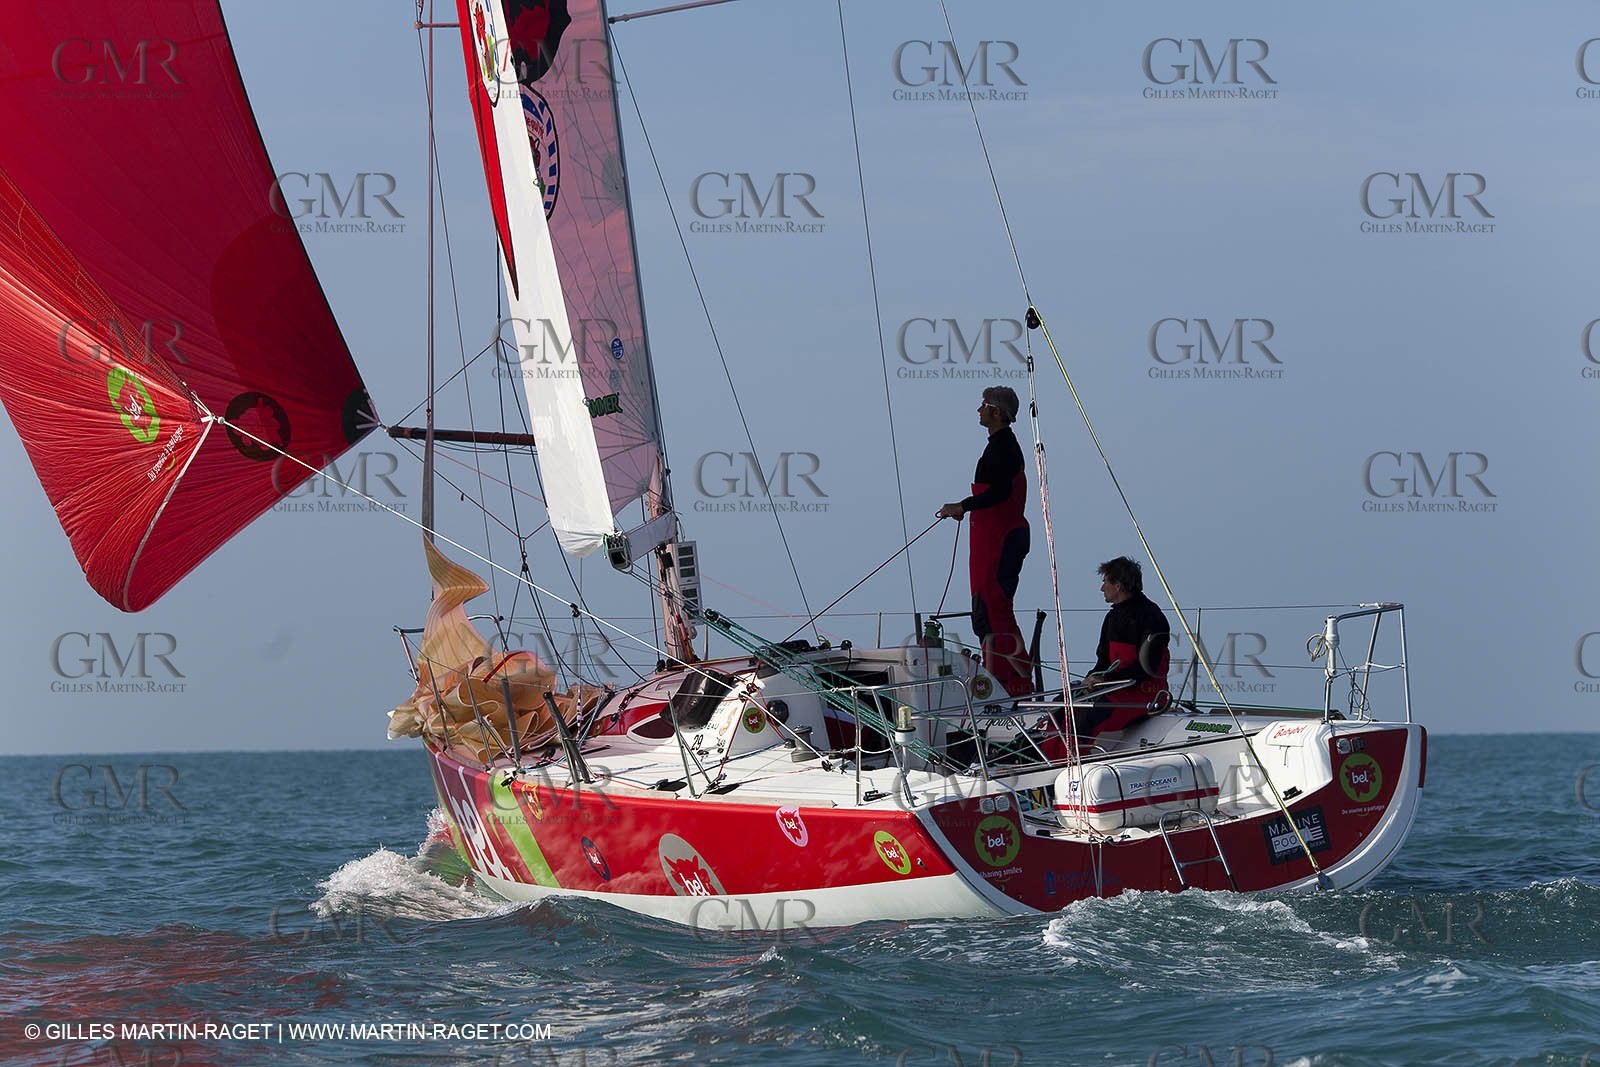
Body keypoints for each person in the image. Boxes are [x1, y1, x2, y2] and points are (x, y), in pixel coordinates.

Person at [936, 387, 1033, 697]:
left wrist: (962, 506)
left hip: (999, 540)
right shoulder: (999, 446)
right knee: (988, 610)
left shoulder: (1003, 448)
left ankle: (1009, 684)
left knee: (992, 610)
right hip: (991, 540)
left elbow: (1001, 492)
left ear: (996, 412)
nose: (979, 410)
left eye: (984, 406)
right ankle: (1007, 680)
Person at [1074, 556, 1170, 740]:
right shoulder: (1112, 618)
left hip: (1142, 695)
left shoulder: (1151, 617)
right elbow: (1103, 661)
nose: (1102, 588)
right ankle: (1044, 761)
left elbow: (1146, 668)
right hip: (1114, 689)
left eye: (1105, 582)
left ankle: (1071, 762)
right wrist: (1091, 678)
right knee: (1062, 706)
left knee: (1088, 716)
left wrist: (1105, 678)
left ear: (1118, 585)